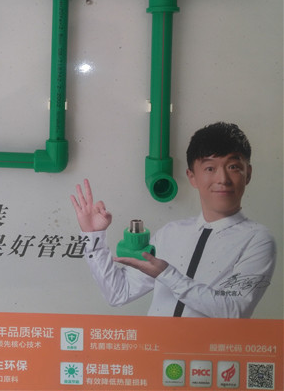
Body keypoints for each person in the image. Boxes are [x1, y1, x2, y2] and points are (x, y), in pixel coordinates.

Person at [71, 122, 276, 318]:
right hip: (155, 343)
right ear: (192, 176)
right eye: (210, 168)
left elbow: (234, 311)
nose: (222, 179)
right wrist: (92, 235)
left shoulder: (257, 239)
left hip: (210, 345)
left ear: (248, 174)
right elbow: (118, 293)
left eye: (233, 167)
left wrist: (166, 274)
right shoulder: (170, 233)